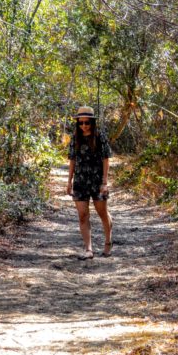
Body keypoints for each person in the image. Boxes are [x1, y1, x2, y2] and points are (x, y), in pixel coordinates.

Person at [66, 105, 113, 259]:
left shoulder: (100, 136)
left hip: (97, 181)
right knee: (83, 215)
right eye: (81, 123)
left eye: (87, 123)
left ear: (92, 122)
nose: (84, 126)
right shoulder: (75, 137)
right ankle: (88, 249)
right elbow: (72, 159)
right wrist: (69, 181)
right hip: (80, 181)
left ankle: (108, 242)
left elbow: (106, 159)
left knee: (102, 213)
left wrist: (104, 182)